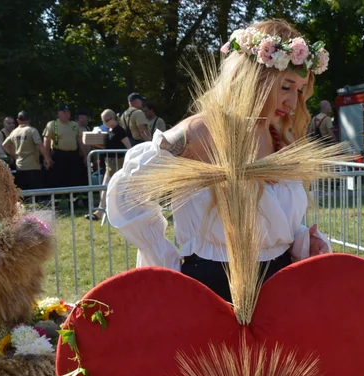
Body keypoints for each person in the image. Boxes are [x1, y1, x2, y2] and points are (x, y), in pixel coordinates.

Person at [107, 19, 332, 301]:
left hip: (279, 290)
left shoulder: (279, 137)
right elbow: (128, 190)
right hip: (212, 291)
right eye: (286, 86)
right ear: (253, 77)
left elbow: (274, 220)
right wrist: (163, 259)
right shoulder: (202, 132)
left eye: (299, 90)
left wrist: (302, 241)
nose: (292, 102)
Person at [88, 109, 132, 222]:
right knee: (105, 187)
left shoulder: (120, 131)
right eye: (103, 121)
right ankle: (99, 212)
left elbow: (129, 147)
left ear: (113, 118)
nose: (105, 123)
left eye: (106, 120)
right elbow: (108, 147)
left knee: (118, 189)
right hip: (110, 163)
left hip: (119, 163)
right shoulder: (110, 130)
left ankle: (119, 213)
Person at [42, 104, 86, 188]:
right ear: (58, 113)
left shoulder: (74, 125)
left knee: (74, 178)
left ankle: (73, 199)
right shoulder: (52, 124)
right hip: (59, 154)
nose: (67, 114)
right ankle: (58, 199)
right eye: (64, 112)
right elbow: (46, 141)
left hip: (73, 155)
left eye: (68, 112)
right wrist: (47, 157)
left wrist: (85, 155)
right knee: (58, 178)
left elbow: (80, 141)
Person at [4, 111, 44, 191]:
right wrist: (46, 157)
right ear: (29, 120)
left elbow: (4, 145)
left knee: (23, 194)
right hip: (33, 166)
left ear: (18, 121)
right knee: (35, 193)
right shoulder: (32, 130)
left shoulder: (14, 132)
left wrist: (13, 155)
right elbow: (39, 145)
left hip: (20, 167)